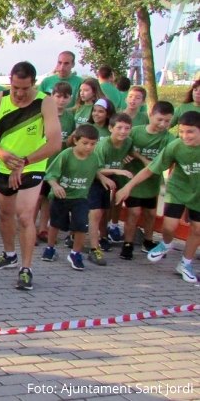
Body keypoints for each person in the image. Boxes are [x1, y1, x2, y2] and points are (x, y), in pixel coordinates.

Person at [0, 61, 61, 291]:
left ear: (33, 84)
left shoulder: (45, 102)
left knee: (24, 216)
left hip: (32, 165)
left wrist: (24, 163)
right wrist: (0, 153)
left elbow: (55, 143)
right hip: (4, 164)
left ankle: (26, 269)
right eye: (16, 87)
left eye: (25, 88)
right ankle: (9, 254)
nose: (20, 93)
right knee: (5, 214)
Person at [116, 110, 200, 283]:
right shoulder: (175, 146)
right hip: (178, 189)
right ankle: (166, 244)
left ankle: (185, 263)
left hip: (198, 193)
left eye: (190, 131)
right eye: (182, 131)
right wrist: (128, 186)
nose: (185, 136)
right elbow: (149, 169)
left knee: (197, 229)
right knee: (169, 227)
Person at [42, 124, 131, 269]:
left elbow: (97, 169)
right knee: (55, 224)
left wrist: (105, 177)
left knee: (82, 226)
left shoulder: (94, 157)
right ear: (76, 141)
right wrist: (56, 185)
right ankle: (50, 248)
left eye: (93, 144)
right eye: (85, 143)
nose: (89, 147)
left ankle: (75, 253)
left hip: (81, 198)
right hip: (62, 196)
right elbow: (50, 175)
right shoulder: (66, 155)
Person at [119, 101, 176, 258]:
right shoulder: (135, 132)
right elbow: (124, 147)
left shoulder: (169, 138)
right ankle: (128, 243)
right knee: (133, 212)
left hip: (152, 183)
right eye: (160, 119)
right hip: (132, 180)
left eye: (167, 121)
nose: (163, 124)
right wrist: (133, 157)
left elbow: (168, 159)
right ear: (151, 115)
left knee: (150, 214)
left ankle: (148, 241)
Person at [85, 113, 133, 260]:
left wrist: (135, 158)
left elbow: (131, 152)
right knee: (95, 213)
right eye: (119, 128)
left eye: (127, 128)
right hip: (93, 179)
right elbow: (95, 168)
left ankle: (103, 237)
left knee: (105, 212)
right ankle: (93, 247)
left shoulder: (128, 142)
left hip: (108, 180)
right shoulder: (104, 145)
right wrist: (117, 170)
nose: (123, 131)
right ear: (111, 128)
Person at [36, 83, 76, 243]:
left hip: (58, 164)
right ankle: (29, 228)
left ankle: (43, 228)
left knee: (47, 199)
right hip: (41, 163)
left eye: (65, 97)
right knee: (37, 198)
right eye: (58, 96)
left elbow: (70, 142)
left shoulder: (69, 118)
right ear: (52, 96)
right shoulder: (42, 115)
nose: (61, 100)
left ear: (70, 99)